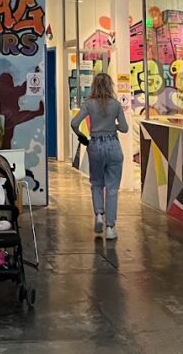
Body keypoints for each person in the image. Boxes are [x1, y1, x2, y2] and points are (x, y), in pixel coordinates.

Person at [70, 72, 129, 240]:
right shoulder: (116, 105)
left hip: (95, 145)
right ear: (110, 86)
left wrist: (81, 136)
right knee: (112, 188)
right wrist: (113, 126)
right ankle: (110, 227)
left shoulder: (89, 104)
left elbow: (74, 123)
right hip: (113, 145)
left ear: (94, 85)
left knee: (96, 183)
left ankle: (99, 215)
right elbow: (124, 128)